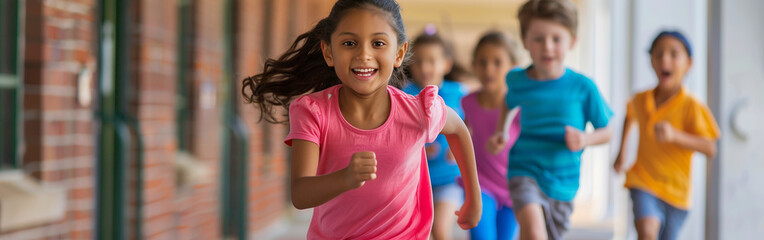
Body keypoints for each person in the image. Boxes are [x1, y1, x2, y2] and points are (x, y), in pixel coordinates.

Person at [241, 1, 481, 239]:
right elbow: (300, 194)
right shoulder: (313, 112)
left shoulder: (419, 110)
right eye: (349, 43)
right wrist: (345, 178)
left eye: (378, 43)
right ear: (328, 52)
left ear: (398, 53)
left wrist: (473, 196)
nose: (364, 54)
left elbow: (458, 129)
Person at [486, 0, 614, 239]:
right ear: (525, 41)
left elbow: (607, 130)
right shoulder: (517, 80)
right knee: (534, 232)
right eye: (538, 38)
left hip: (562, 181)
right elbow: (508, 102)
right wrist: (501, 131)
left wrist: (585, 139)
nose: (547, 47)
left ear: (572, 41)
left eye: (556, 39)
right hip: (524, 169)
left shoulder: (583, 87)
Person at [614, 31, 720, 240]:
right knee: (647, 231)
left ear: (689, 64)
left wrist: (675, 136)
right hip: (643, 180)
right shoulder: (640, 99)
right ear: (651, 61)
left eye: (674, 54)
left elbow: (710, 148)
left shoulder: (692, 106)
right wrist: (621, 152)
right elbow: (630, 116)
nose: (665, 59)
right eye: (658, 54)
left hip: (677, 192)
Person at [402, 31, 469, 240]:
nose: (424, 68)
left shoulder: (459, 92)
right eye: (418, 61)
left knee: (439, 230)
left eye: (431, 61)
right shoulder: (405, 95)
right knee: (419, 233)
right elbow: (399, 133)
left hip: (450, 180)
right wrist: (419, 146)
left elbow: (471, 127)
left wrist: (460, 147)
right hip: (414, 181)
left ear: (446, 64)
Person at [462, 31, 521, 240]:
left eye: (497, 62)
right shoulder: (466, 103)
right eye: (482, 62)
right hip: (480, 184)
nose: (489, 69)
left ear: (512, 66)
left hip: (513, 188)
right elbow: (461, 134)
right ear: (473, 65)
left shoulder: (519, 107)